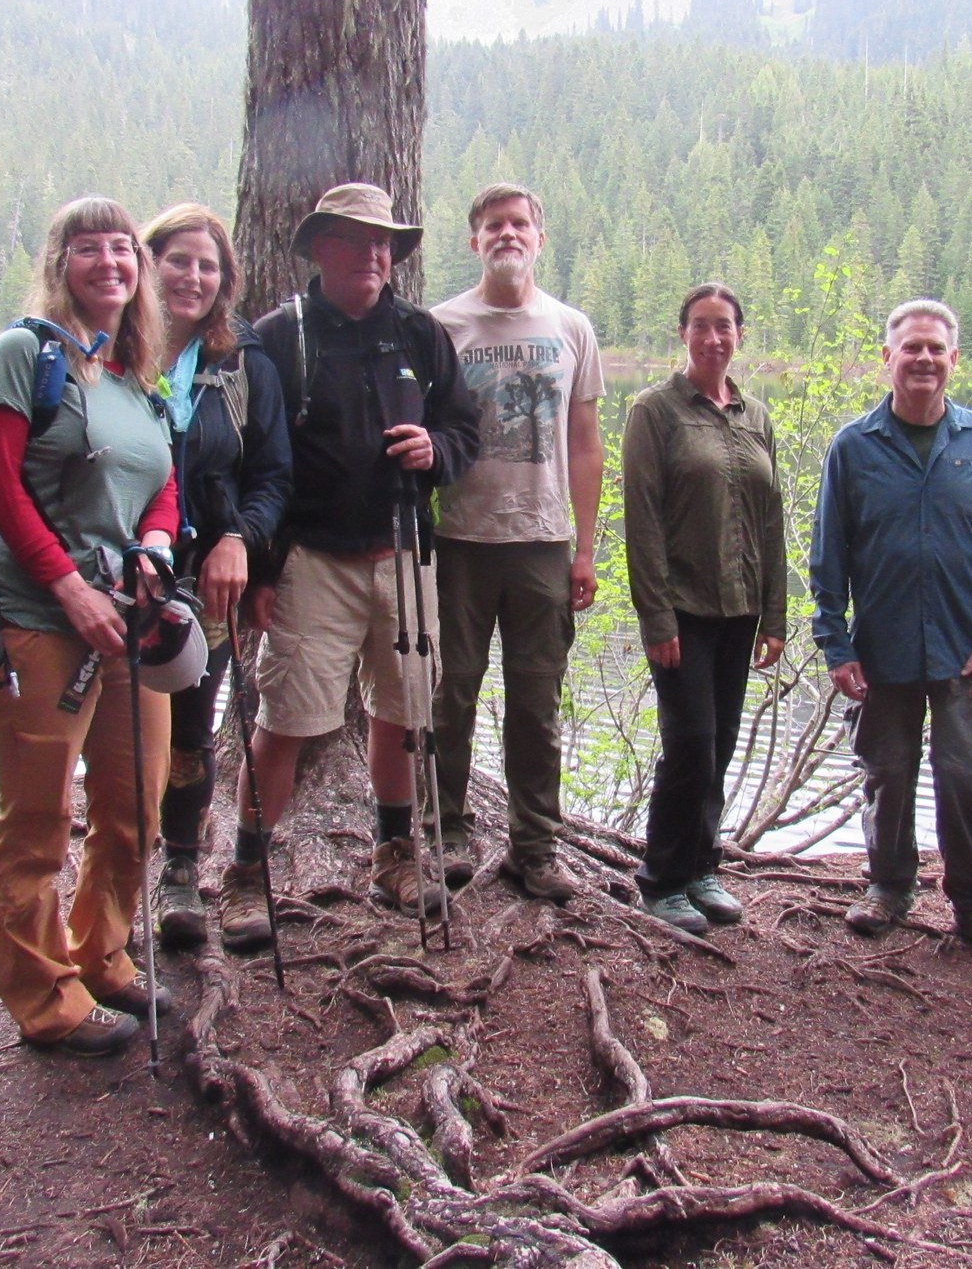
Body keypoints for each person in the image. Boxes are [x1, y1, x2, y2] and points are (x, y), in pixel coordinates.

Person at [223, 182, 479, 931]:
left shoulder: (420, 334)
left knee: (403, 712)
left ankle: (394, 855)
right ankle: (245, 872)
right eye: (356, 239)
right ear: (321, 247)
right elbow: (252, 462)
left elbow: (464, 430)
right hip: (312, 561)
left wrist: (436, 450)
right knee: (289, 722)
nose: (374, 254)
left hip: (404, 552)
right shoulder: (279, 337)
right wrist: (261, 571)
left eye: (385, 243)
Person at [0, 196, 180, 1055]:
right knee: (38, 820)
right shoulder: (24, 354)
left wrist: (157, 548)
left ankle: (104, 950)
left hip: (131, 619)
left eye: (122, 248)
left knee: (138, 802)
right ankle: (42, 996)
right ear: (62, 264)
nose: (109, 262)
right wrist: (68, 587)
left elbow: (161, 482)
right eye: (87, 249)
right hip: (40, 622)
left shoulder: (134, 375)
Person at [810, 299, 972, 967]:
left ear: (954, 359)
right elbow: (830, 554)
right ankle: (888, 889)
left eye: (936, 348)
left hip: (968, 649)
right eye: (912, 348)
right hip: (884, 645)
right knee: (888, 773)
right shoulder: (855, 446)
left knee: (970, 777)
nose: (924, 359)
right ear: (888, 358)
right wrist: (835, 643)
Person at [428, 184, 603, 902]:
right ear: (475, 241)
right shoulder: (440, 327)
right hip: (457, 541)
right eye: (493, 226)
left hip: (541, 541)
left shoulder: (571, 327)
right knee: (449, 697)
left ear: (539, 237)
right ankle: (444, 837)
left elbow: (586, 443)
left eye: (519, 224)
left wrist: (585, 548)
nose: (507, 235)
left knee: (537, 704)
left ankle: (534, 847)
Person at [142, 204, 292, 948]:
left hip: (207, 578)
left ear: (225, 281)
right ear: (151, 263)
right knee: (115, 729)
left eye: (208, 266)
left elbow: (272, 474)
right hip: (115, 572)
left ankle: (179, 873)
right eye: (179, 260)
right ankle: (111, 879)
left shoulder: (242, 362)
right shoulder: (109, 352)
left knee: (191, 727)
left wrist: (241, 539)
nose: (193, 277)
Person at [623, 284, 786, 933]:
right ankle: (661, 879)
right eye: (701, 326)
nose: (714, 337)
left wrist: (775, 616)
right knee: (688, 742)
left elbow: (771, 523)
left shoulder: (756, 417)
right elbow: (643, 522)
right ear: (683, 334)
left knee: (717, 745)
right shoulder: (654, 412)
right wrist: (656, 618)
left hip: (740, 608)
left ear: (740, 335)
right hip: (683, 610)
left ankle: (702, 867)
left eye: (725, 326)